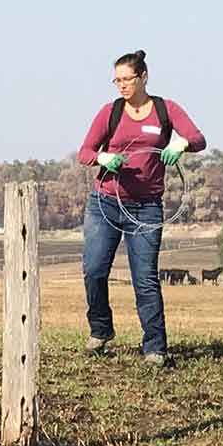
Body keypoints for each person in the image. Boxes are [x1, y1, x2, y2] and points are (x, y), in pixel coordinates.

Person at [75, 49, 206, 366]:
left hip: (146, 209)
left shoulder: (165, 109)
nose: (121, 85)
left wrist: (180, 144)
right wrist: (103, 158)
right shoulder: (110, 112)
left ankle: (155, 348)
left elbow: (198, 139)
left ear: (143, 77)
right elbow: (85, 152)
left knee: (145, 278)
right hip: (105, 203)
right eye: (116, 80)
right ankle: (101, 329)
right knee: (94, 270)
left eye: (127, 79)